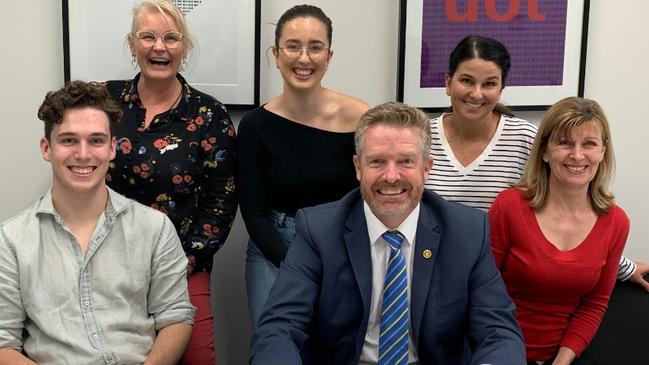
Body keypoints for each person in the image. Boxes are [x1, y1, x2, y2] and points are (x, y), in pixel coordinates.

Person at [249, 102, 525, 364]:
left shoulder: (467, 231)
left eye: (406, 161)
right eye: (377, 162)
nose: (391, 176)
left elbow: (498, 332)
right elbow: (280, 327)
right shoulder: (318, 229)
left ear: (426, 168)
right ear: (358, 168)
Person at [425, 34, 645, 290]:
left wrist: (623, 267)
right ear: (448, 83)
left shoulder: (525, 139)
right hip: (429, 275)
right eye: (466, 81)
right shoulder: (419, 139)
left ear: (501, 89)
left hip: (493, 282)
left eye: (489, 83)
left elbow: (569, 212)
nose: (477, 93)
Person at [0, 81, 195, 364]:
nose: (83, 154)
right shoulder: (11, 240)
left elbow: (176, 318)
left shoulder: (155, 229)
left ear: (112, 148)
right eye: (68, 140)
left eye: (96, 140)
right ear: (46, 148)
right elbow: (3, 342)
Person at [104, 1, 237, 362]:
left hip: (181, 269)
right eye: (147, 36)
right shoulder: (104, 102)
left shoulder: (210, 115)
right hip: (105, 267)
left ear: (184, 47)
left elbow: (219, 204)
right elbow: (79, 170)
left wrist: (180, 263)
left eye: (170, 38)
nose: (158, 46)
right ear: (132, 44)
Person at [237, 4, 369, 328]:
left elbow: (371, 195)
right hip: (274, 248)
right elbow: (253, 213)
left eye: (315, 47)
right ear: (277, 54)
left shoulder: (360, 117)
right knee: (275, 349)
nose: (304, 58)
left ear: (329, 55)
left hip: (341, 246)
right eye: (293, 46)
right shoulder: (255, 125)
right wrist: (297, 266)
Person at [489, 97, 629, 364]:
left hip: (564, 356)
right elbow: (482, 290)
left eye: (589, 143)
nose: (577, 155)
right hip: (498, 349)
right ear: (544, 150)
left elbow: (595, 304)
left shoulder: (616, 222)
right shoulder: (509, 207)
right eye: (564, 143)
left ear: (602, 151)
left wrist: (561, 362)